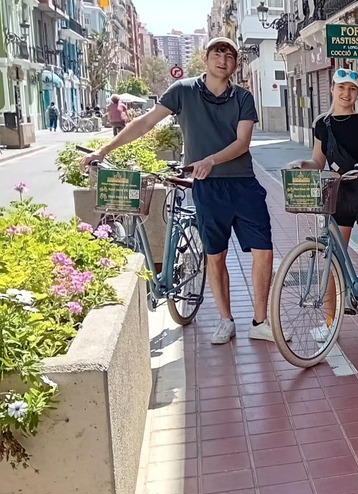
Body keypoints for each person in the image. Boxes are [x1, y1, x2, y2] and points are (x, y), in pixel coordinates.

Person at [81, 37, 274, 345]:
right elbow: (145, 123)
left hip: (243, 182)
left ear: (235, 64)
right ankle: (226, 320)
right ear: (206, 58)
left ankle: (260, 321)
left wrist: (210, 160)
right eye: (217, 53)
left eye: (229, 55)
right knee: (216, 255)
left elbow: (242, 143)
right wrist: (103, 150)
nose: (223, 59)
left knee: (264, 251)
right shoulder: (182, 91)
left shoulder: (243, 97)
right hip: (207, 188)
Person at [285, 69, 358, 347]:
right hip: (337, 194)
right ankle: (329, 322)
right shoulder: (322, 124)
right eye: (342, 88)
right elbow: (317, 161)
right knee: (330, 262)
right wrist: (302, 164)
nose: (347, 94)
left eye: (353, 89)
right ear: (332, 89)